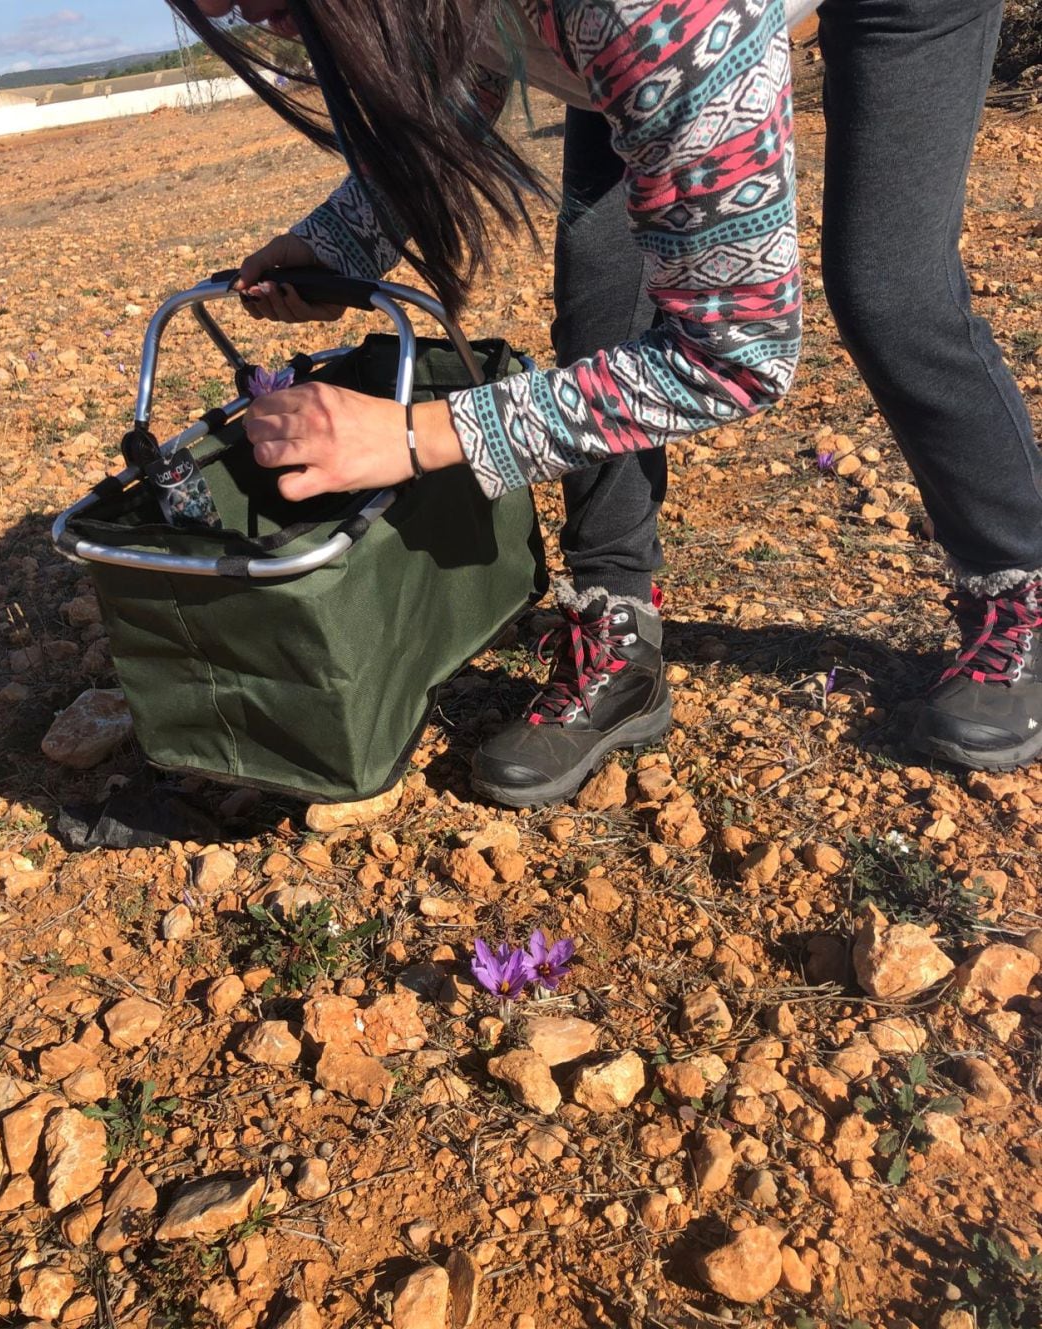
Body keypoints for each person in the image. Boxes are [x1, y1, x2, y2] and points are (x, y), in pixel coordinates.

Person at [176, 0, 1042, 804]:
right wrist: (336, 244)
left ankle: (1021, 590)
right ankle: (615, 628)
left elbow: (731, 353)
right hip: (622, 35)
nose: (240, 11)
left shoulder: (643, 8)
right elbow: (465, 68)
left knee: (889, 288)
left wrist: (417, 436)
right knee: (597, 300)